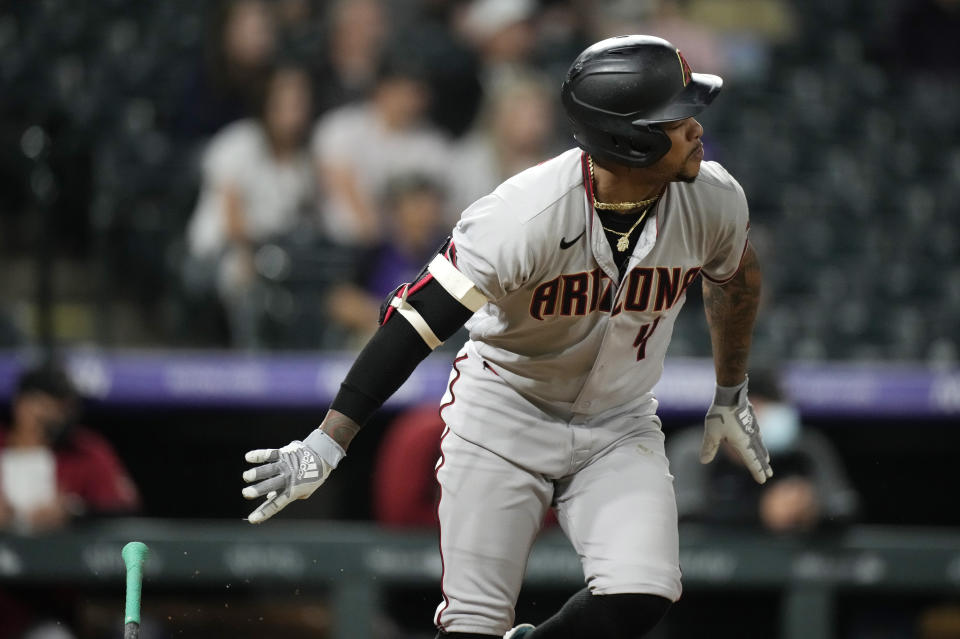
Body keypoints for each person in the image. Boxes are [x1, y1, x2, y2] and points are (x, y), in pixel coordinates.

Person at [242, 35, 773, 639]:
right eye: (678, 119)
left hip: (618, 423)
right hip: (503, 416)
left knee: (642, 593)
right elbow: (417, 323)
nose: (697, 128)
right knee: (473, 626)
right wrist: (330, 439)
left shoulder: (714, 199)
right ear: (631, 139)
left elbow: (736, 279)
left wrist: (731, 389)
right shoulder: (523, 214)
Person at [185, 63, 317, 349]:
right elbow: (231, 219)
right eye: (288, 103)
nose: (297, 113)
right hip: (217, 252)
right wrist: (252, 254)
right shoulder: (238, 143)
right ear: (267, 104)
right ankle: (250, 365)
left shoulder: (303, 162)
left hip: (272, 254)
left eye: (301, 104)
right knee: (241, 274)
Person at [667, 369, 860, 533]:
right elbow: (686, 522)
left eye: (767, 409)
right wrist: (760, 511)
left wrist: (811, 510)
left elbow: (844, 510)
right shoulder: (694, 451)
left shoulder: (805, 448)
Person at [0, 364, 139, 533]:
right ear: (22, 405)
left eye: (68, 408)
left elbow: (125, 509)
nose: (63, 416)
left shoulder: (85, 451)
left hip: (60, 553)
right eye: (54, 405)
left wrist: (75, 513)